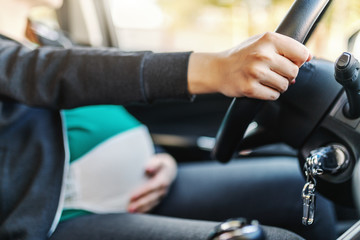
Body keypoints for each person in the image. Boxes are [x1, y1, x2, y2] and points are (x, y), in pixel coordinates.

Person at [0, 0, 336, 240]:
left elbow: (98, 109)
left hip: (144, 186)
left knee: (304, 189)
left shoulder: (45, 36)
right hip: (62, 219)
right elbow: (61, 74)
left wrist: (160, 157)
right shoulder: (24, 60)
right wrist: (215, 68)